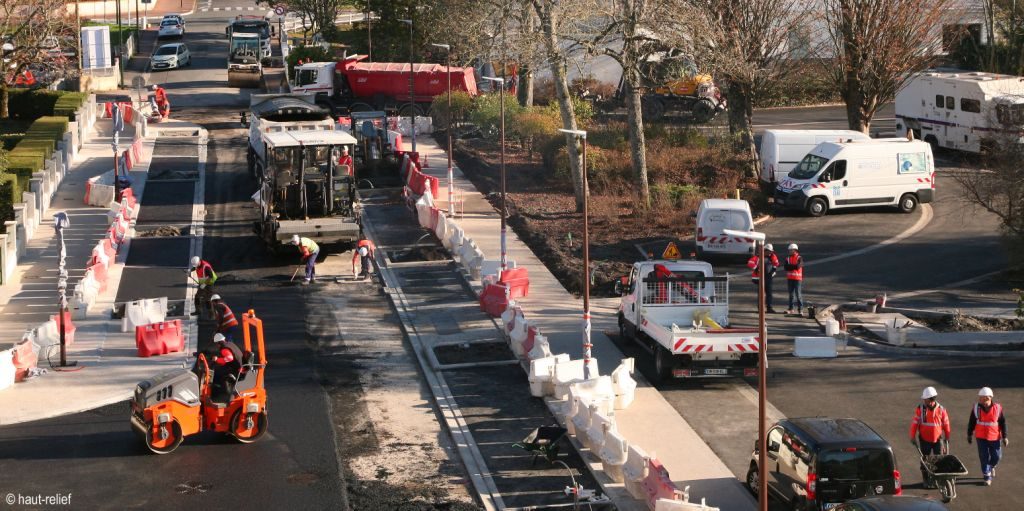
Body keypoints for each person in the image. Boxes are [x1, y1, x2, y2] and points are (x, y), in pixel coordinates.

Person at [910, 386, 951, 488]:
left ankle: (938, 480)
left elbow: (946, 424)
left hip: (938, 440)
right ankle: (926, 480)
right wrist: (912, 436)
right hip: (924, 440)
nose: (924, 400)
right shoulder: (920, 409)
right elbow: (915, 423)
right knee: (925, 460)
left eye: (925, 399)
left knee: (940, 460)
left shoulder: (941, 410)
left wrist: (947, 437)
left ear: (931, 399)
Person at [968, 387, 1008, 486]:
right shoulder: (976, 408)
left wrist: (1005, 437)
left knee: (997, 456)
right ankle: (987, 476)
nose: (983, 401)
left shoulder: (997, 408)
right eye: (981, 399)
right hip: (981, 437)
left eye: (985, 399)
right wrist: (969, 434)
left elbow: (1002, 423)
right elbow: (972, 422)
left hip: (994, 437)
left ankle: (991, 467)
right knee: (983, 457)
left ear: (990, 398)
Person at [747, 243, 780, 313]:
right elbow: (750, 263)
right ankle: (760, 309)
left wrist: (773, 271)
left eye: (771, 251)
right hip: (760, 278)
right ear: (765, 250)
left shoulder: (772, 256)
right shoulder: (758, 257)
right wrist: (756, 268)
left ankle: (769, 308)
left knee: (769, 294)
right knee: (761, 294)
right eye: (769, 251)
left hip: (768, 278)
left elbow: (776, 264)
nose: (771, 252)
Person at [209, 333, 243, 401]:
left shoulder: (224, 349)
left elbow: (229, 358)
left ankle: (217, 393)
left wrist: (217, 359)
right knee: (220, 369)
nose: (217, 346)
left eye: (217, 343)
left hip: (236, 368)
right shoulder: (230, 344)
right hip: (239, 365)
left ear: (219, 342)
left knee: (217, 373)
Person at [784, 243, 804, 316]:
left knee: (798, 295)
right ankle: (791, 309)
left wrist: (790, 267)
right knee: (791, 295)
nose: (789, 251)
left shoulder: (799, 258)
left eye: (790, 250)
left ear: (795, 250)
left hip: (797, 279)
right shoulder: (787, 258)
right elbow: (785, 267)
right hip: (790, 278)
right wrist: (793, 267)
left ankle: (800, 310)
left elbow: (798, 266)